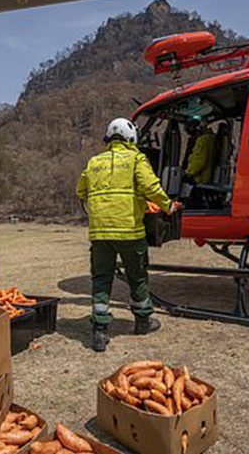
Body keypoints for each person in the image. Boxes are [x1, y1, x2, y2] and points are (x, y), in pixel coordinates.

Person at [76, 117, 181, 352]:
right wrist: (168, 206)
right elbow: (151, 187)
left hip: (100, 235)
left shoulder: (94, 162)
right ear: (130, 137)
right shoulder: (136, 159)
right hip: (130, 233)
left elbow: (80, 190)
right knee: (138, 276)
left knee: (101, 279)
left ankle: (100, 331)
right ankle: (143, 321)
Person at [183, 118, 217, 185]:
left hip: (200, 179)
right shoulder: (212, 138)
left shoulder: (202, 140)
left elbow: (199, 161)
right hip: (208, 177)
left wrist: (187, 172)